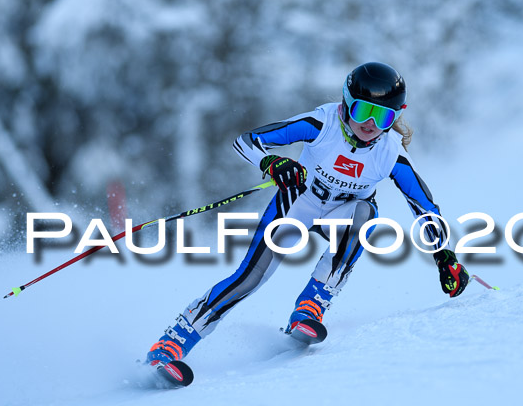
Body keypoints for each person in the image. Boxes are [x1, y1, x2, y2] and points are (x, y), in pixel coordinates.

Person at [146, 62, 470, 365]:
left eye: (383, 117)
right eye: (364, 110)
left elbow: (424, 206)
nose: (371, 124)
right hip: (299, 203)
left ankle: (310, 306)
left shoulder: (390, 153)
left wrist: (443, 255)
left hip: (343, 214)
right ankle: (173, 342)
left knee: (365, 213)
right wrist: (272, 162)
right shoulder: (322, 123)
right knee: (249, 278)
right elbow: (246, 141)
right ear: (346, 103)